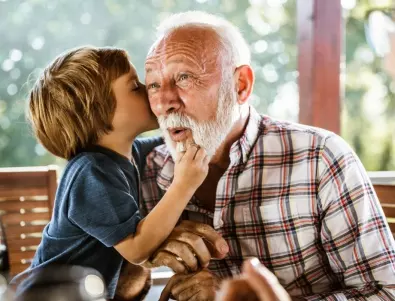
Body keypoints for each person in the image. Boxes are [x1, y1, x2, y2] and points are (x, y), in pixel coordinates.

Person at [139, 11, 395, 300]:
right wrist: (146, 251)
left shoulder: (321, 158)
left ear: (241, 85)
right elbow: (117, 288)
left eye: (184, 77)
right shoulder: (148, 170)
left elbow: (386, 293)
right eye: (153, 85)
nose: (163, 103)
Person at [12, 46, 210, 300]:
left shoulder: (129, 153)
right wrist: (184, 184)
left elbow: (173, 137)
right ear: (99, 112)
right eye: (134, 87)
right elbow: (136, 248)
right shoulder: (90, 173)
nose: (149, 90)